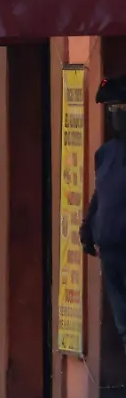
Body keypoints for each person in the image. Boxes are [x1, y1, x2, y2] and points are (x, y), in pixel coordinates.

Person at [82, 87, 126, 354]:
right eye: (114, 111)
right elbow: (101, 195)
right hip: (110, 248)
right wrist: (87, 230)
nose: (117, 116)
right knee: (123, 323)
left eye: (122, 110)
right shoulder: (106, 153)